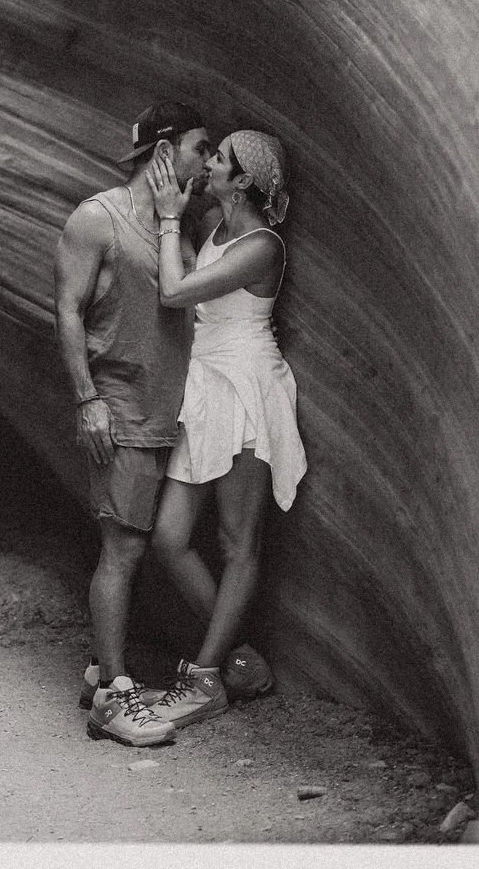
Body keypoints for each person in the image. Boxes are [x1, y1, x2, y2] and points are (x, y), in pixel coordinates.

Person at [53, 101, 211, 747]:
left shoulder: (180, 229)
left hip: (165, 411)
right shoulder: (98, 218)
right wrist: (87, 399)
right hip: (120, 404)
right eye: (201, 148)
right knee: (122, 549)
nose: (208, 162)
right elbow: (68, 309)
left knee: (137, 546)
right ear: (166, 152)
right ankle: (113, 699)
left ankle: (102, 674)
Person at [143, 129, 306, 730]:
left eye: (220, 159)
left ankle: (206, 676)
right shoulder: (217, 226)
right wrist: (182, 223)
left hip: (248, 385)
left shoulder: (264, 246)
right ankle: (237, 658)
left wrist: (167, 219)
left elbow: (174, 292)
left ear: (242, 182)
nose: (209, 162)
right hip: (207, 385)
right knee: (169, 537)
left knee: (239, 543)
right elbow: (194, 290)